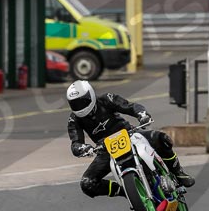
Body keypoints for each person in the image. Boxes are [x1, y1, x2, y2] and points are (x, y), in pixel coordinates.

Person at [67, 81, 195, 199]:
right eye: (75, 104)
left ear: (90, 95)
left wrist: (142, 115)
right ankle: (127, 192)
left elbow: (130, 106)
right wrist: (82, 148)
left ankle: (178, 172)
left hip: (129, 134)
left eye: (82, 101)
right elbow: (75, 143)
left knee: (162, 139)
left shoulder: (106, 99)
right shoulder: (74, 119)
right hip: (106, 149)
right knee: (87, 183)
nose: (79, 106)